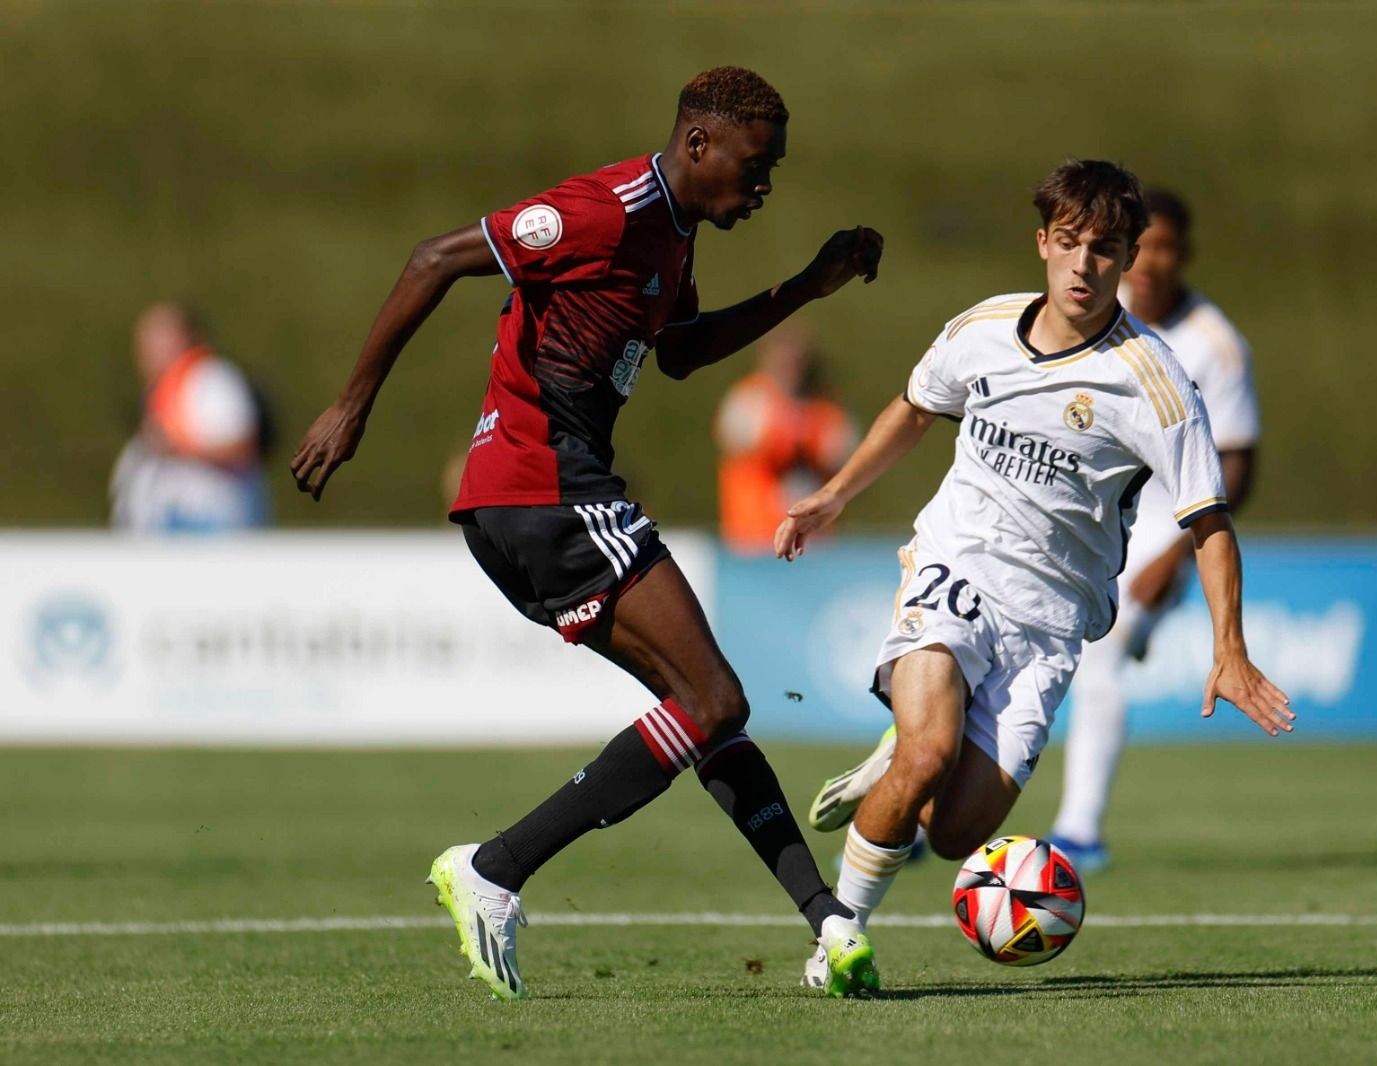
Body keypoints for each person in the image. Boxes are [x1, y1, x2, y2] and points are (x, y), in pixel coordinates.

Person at [290, 67, 886, 1000]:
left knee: (705, 712)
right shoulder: (605, 211)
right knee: (715, 700)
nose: (765, 184)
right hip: (545, 487)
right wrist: (350, 406)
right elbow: (433, 258)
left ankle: (829, 924)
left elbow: (681, 352)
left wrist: (806, 286)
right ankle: (495, 867)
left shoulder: (674, 238)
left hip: (529, 501)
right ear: (698, 145)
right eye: (756, 164)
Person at [777, 160, 1292, 971]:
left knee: (951, 834)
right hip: (955, 569)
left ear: (1126, 257)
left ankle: (899, 753)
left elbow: (1210, 520)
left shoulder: (1155, 386)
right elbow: (916, 410)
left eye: (1106, 249)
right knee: (929, 752)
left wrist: (1230, 649)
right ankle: (839, 937)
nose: (1085, 265)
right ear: (1043, 243)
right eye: (1071, 243)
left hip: (1050, 624)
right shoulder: (981, 330)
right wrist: (834, 495)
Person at [1046, 189, 1262, 873]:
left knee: (1103, 655)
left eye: (1169, 247)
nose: (1153, 262)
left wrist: (1173, 557)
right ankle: (932, 800)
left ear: (1182, 255)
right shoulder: (1098, 312)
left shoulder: (1216, 347)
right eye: (1148, 247)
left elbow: (1238, 464)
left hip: (1161, 532)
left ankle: (1078, 829)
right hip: (1086, 514)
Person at [110, 302, 271, 532]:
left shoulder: (211, 379)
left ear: (186, 337)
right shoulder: (165, 389)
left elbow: (242, 444)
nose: (147, 347)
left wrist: (178, 448)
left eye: (159, 337)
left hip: (209, 522)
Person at [715, 322, 857, 553]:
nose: (791, 367)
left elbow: (844, 456)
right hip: (752, 538)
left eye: (798, 360)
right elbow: (736, 440)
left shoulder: (825, 407)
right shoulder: (748, 399)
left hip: (814, 543)